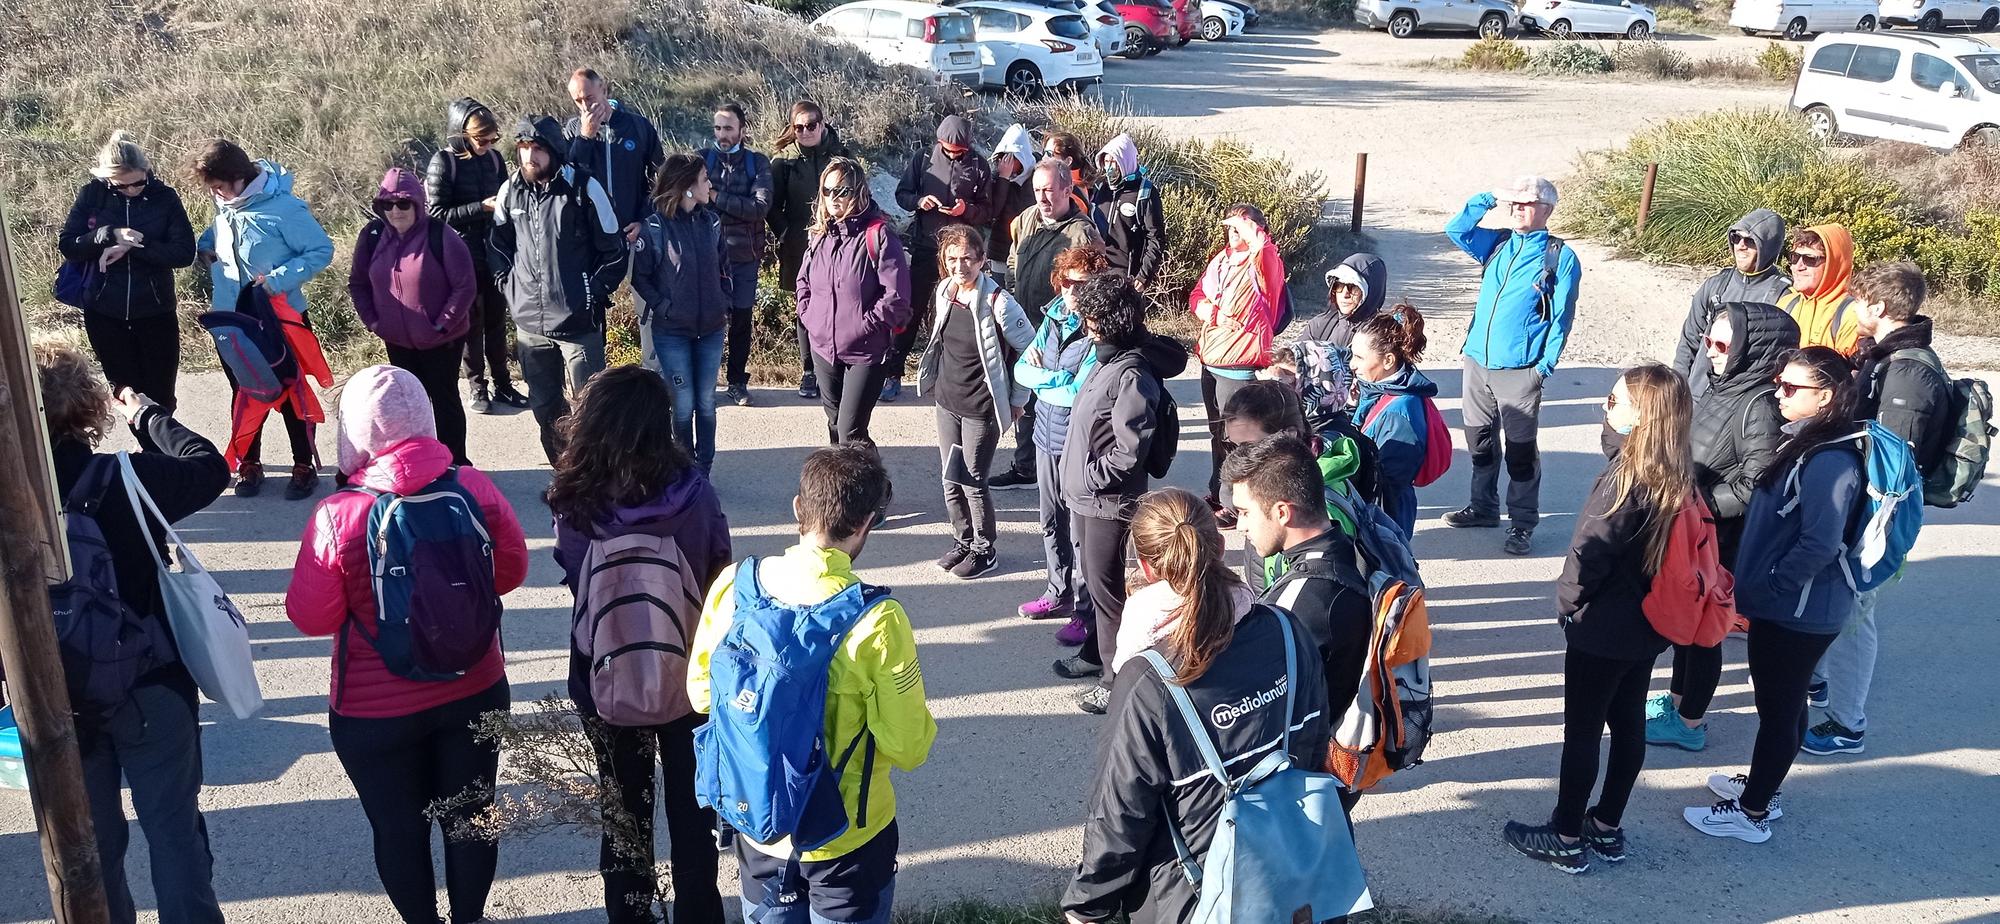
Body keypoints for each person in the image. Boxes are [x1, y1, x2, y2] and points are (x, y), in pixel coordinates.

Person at [285, 364, 529, 924]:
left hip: (375, 711)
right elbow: (511, 571)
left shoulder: (337, 516)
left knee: (398, 830)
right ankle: (469, 919)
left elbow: (311, 617)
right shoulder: (475, 487)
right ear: (427, 418)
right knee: (471, 819)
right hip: (475, 686)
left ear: (354, 432)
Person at [687, 444, 937, 924]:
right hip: (850, 833)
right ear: (866, 523)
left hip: (757, 822)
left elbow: (701, 694)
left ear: (798, 508)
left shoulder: (735, 585)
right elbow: (908, 746)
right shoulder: (878, 619)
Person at [1062, 488, 1331, 924]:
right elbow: (1314, 739)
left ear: (1148, 569)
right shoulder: (1288, 628)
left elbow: (1121, 814)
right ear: (1220, 545)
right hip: (1296, 869)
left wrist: (1087, 906)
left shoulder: (1148, 680)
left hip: (1196, 893)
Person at [41, 343, 229, 924]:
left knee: (88, 852)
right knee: (173, 832)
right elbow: (209, 467)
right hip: (152, 680)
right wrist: (147, 416)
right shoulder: (127, 477)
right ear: (87, 404)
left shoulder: (14, 499)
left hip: (55, 698)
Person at [548, 367, 731, 924]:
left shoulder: (576, 498)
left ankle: (630, 913)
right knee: (691, 806)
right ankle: (698, 912)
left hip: (605, 666)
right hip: (688, 666)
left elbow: (574, 573)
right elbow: (717, 569)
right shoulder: (694, 493)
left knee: (623, 808)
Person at [1504, 364, 1690, 875]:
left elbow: (1588, 556)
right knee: (1628, 725)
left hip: (1602, 628)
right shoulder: (1677, 473)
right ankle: (1607, 826)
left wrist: (1568, 605)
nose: (1604, 408)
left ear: (1642, 417)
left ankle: (1565, 834)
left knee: (1583, 732)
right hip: (1649, 626)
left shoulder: (1623, 480)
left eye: (1613, 402)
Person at [1684, 346, 1863, 844]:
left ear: (1825, 396)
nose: (1778, 393)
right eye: (1778, 383)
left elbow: (1821, 543)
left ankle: (1754, 811)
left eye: (1791, 387)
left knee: (1780, 706)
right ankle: (1765, 785)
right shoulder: (1808, 440)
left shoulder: (1830, 460)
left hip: (1800, 610)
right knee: (1782, 702)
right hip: (1786, 605)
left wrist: (1774, 584)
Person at [1805, 261, 1952, 756]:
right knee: (1838, 602)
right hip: (1862, 506)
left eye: (1856, 299)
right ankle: (1818, 681)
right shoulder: (1891, 358)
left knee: (1854, 613)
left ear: (1880, 307)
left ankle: (1847, 724)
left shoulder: (1908, 372)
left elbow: (1892, 463)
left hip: (1876, 516)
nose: (1850, 306)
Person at [1644, 301, 1797, 753]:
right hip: (1693, 529)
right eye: (1708, 340)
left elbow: (1756, 484)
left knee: (1704, 633)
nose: (1708, 351)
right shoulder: (1720, 386)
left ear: (1753, 349)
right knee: (1685, 630)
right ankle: (1676, 701)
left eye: (1721, 343)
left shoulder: (1758, 407)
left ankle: (1690, 723)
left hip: (1719, 539)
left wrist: (1695, 503)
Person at [1054, 274, 1189, 715]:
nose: (1085, 324)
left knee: (1108, 591)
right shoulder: (1107, 359)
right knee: (1095, 586)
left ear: (1111, 322)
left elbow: (1130, 452)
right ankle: (1095, 655)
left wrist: (1090, 478)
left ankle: (1114, 681)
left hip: (1106, 502)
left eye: (1091, 317)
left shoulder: (1131, 373)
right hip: (1086, 498)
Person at [1224, 434, 1373, 822]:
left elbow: (1254, 707)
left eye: (1244, 512)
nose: (1239, 525)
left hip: (1299, 779)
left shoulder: (1301, 604)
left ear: (1282, 512)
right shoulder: (1345, 546)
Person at [1441, 176, 1581, 557]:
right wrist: (1490, 197)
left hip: (1521, 370)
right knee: (1479, 444)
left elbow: (1562, 319)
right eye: (1515, 203)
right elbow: (1456, 229)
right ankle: (1483, 508)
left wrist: (1543, 367)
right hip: (1477, 361)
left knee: (1520, 453)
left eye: (1528, 203)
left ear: (1548, 209)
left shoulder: (1559, 257)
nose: (1519, 209)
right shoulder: (1500, 242)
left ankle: (1522, 524)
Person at [193, 138, 335, 500]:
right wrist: (205, 248)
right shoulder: (225, 203)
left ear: (239, 176)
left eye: (221, 187)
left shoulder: (285, 208)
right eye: (213, 190)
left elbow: (321, 250)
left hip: (278, 318)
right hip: (232, 318)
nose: (218, 194)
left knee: (290, 390)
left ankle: (303, 465)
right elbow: (217, 235)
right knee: (244, 391)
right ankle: (249, 464)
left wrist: (277, 280)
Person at [489, 115, 626, 465]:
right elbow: (498, 247)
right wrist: (508, 287)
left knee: (592, 408)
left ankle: (597, 476)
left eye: (537, 149)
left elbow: (615, 250)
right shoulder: (510, 190)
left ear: (553, 150)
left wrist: (590, 292)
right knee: (545, 407)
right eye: (523, 148)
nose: (529, 156)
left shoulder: (584, 188)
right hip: (529, 326)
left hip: (578, 324)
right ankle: (564, 474)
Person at [916, 224, 1035, 579]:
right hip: (947, 400)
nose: (960, 266)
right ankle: (963, 540)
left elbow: (1030, 349)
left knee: (973, 480)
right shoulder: (945, 291)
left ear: (982, 260)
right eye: (952, 259)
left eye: (968, 258)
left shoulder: (999, 302)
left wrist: (1018, 399)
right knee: (950, 479)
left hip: (981, 407)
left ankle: (985, 549)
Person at [58, 130, 197, 413]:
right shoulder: (92, 195)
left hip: (156, 310)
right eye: (121, 187)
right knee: (125, 391)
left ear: (147, 171)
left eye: (138, 183)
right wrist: (110, 235)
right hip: (104, 310)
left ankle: (156, 452)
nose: (132, 190)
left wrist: (134, 245)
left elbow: (184, 253)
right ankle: (150, 451)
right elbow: (69, 245)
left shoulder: (165, 198)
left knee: (161, 394)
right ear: (106, 179)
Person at [348, 167, 477, 465]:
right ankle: (419, 463)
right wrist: (374, 322)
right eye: (388, 204)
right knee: (408, 405)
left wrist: (442, 324)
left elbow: (465, 286)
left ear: (418, 204)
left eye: (403, 203)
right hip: (396, 339)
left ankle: (455, 463)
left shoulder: (441, 236)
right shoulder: (372, 236)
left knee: (444, 401)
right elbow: (358, 283)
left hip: (442, 339)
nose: (395, 211)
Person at [1014, 246, 1111, 642]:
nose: (1072, 290)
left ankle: (1086, 613)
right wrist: (1051, 379)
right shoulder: (1052, 318)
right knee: (1050, 520)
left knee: (1078, 530)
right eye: (1067, 281)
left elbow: (1078, 393)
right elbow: (1022, 369)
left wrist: (1045, 378)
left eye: (1082, 284)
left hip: (1078, 442)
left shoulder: (1098, 331)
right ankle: (1058, 593)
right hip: (1044, 435)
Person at [991, 160, 1103, 492]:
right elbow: (1014, 259)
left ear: (1068, 190)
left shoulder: (1082, 232)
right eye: (1037, 190)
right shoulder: (1025, 219)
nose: (1042, 197)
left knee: (1054, 399)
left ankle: (1061, 468)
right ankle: (1026, 465)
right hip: (1024, 324)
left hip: (1061, 329)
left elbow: (1095, 284)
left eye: (1049, 190)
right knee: (1022, 396)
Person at [797, 157, 912, 448]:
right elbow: (803, 284)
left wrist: (863, 326)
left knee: (851, 432)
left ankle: (877, 489)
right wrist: (811, 319)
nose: (833, 198)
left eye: (842, 191)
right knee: (836, 428)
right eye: (827, 190)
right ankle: (847, 491)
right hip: (823, 349)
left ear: (858, 190)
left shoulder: (879, 236)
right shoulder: (819, 235)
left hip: (865, 352)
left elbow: (896, 297)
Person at [428, 97, 531, 415]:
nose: (488, 144)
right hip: (459, 255)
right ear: (461, 135)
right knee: (470, 325)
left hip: (494, 251)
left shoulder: (495, 160)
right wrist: (481, 207)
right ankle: (477, 387)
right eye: (481, 139)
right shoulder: (443, 162)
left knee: (498, 321)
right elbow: (435, 214)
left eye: (492, 138)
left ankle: (503, 384)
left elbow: (505, 200)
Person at [1189, 204, 1287, 528]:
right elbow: (1197, 294)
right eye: (1230, 228)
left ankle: (1237, 505)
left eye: (1241, 229)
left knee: (1240, 438)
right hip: (1211, 358)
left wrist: (1252, 232)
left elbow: (1266, 254)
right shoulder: (1221, 261)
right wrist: (1205, 308)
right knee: (1218, 434)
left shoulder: (1264, 264)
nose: (1233, 234)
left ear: (1257, 232)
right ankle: (1218, 493)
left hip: (1239, 364)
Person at [632, 154, 732, 471]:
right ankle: (683, 467)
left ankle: (703, 469)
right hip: (671, 332)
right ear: (687, 186)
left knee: (706, 404)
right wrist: (665, 307)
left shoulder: (712, 224)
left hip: (711, 330)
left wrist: (723, 301)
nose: (710, 184)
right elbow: (640, 279)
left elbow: (725, 269)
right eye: (704, 179)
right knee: (683, 405)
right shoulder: (654, 228)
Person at [1220, 381, 1370, 590]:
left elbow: (1325, 590)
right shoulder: (1267, 484)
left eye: (1248, 446)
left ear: (1289, 434)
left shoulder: (1318, 502)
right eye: (1231, 446)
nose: (1237, 457)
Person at [564, 67, 665, 369]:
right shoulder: (570, 131)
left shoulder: (637, 126)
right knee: (592, 306)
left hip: (634, 233)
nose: (585, 106)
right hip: (592, 241)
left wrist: (644, 218)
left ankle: (653, 377)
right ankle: (596, 380)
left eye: (590, 97)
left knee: (648, 305)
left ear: (604, 90)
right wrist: (585, 137)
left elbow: (660, 178)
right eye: (578, 101)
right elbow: (567, 180)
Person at [889, 115, 993, 402]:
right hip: (926, 248)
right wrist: (919, 201)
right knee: (911, 311)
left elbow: (987, 211)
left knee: (953, 315)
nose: (952, 154)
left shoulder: (979, 165)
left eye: (958, 151)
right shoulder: (922, 158)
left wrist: (966, 210)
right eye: (948, 149)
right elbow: (902, 194)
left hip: (960, 257)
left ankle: (947, 378)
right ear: (939, 142)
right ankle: (892, 374)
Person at [769, 99, 851, 400]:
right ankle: (808, 371)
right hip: (799, 247)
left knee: (838, 305)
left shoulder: (841, 156)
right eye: (798, 127)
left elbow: (857, 195)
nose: (805, 132)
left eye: (811, 126)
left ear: (822, 123)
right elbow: (771, 206)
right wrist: (786, 233)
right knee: (805, 309)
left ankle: (835, 367)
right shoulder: (783, 162)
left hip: (838, 244)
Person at [1671, 209, 1790, 400]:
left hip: (1736, 407)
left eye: (1750, 241)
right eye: (1736, 237)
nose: (1741, 246)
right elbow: (1689, 341)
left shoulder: (1782, 295)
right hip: (1694, 396)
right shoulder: (1716, 285)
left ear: (1768, 247)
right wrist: (1676, 390)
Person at [706, 102, 775, 407]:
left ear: (742, 131)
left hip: (745, 255)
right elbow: (691, 201)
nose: (722, 134)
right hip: (706, 255)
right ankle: (707, 383)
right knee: (708, 320)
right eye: (718, 128)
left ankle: (736, 382)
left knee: (741, 320)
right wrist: (736, 205)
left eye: (728, 128)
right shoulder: (702, 160)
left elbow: (760, 208)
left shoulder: (757, 163)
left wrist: (716, 197)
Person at [1349, 304, 1438, 540]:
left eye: (1359, 357)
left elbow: (1387, 481)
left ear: (1388, 360)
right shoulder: (1377, 389)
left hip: (1386, 517)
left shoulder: (1401, 411)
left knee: (1390, 572)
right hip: (1376, 510)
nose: (1352, 365)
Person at [1091, 133, 1166, 292]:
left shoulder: (1145, 192)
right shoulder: (1100, 188)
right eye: (1106, 161)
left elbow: (1156, 238)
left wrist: (1143, 276)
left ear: (1125, 162)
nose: (1109, 167)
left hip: (1127, 279)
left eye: (1114, 162)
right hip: (1097, 273)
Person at [1775, 224, 1860, 356]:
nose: (1797, 267)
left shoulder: (1853, 314)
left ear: (1834, 264)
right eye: (1794, 257)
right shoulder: (1786, 305)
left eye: (1809, 259)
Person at [1301, 253, 1388, 351]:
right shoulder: (1318, 326)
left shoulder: (1384, 335)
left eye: (1353, 287)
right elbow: (1293, 363)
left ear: (1372, 292)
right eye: (1339, 286)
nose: (1345, 294)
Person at [986, 123, 1039, 275]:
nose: (1006, 163)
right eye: (1003, 157)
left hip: (1029, 251)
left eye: (1012, 158)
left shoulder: (1037, 177)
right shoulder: (997, 179)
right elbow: (993, 212)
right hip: (1000, 251)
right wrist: (1003, 179)